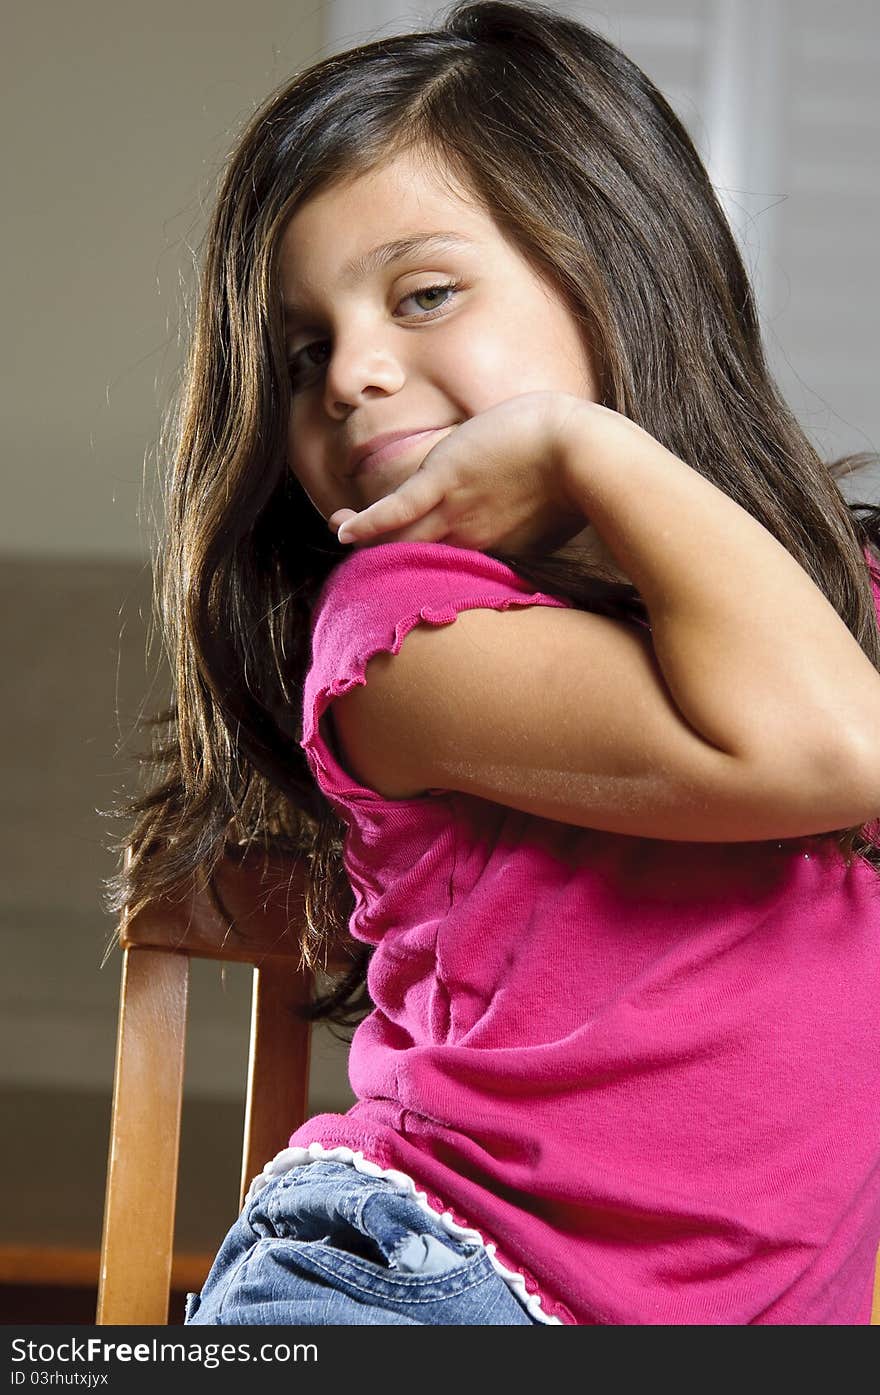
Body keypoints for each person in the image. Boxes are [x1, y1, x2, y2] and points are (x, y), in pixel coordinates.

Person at [107, 1, 880, 1325]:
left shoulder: (830, 620)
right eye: (304, 353)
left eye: (424, 294)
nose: (352, 374)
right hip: (415, 1276)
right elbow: (833, 755)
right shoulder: (405, 631)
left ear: (618, 274)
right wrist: (595, 448)